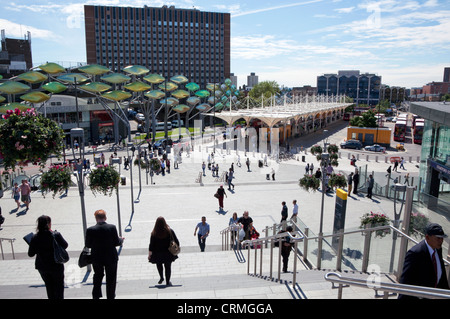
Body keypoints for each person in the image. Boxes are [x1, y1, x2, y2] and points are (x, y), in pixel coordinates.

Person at [399, 223, 449, 299]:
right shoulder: (415, 253)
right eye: (438, 238)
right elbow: (405, 282)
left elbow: (441, 275)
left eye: (442, 238)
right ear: (427, 237)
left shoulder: (438, 249)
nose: (441, 241)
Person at [85, 209, 124, 299]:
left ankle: (96, 295)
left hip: (97, 258)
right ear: (105, 217)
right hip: (110, 257)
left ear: (96, 218)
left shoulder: (90, 230)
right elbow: (116, 242)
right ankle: (110, 296)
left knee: (98, 276)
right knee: (111, 278)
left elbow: (88, 244)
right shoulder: (112, 227)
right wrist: (121, 239)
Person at [27, 215, 68, 299]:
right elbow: (65, 245)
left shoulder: (35, 237)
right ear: (49, 224)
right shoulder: (55, 235)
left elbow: (31, 254)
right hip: (56, 265)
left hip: (42, 266)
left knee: (49, 287)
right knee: (59, 287)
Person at [148, 217, 179, 286]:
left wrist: (150, 254)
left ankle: (161, 277)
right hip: (168, 253)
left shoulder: (154, 233)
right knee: (168, 267)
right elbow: (176, 241)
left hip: (157, 253)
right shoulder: (170, 231)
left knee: (159, 265)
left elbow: (151, 245)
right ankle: (168, 281)